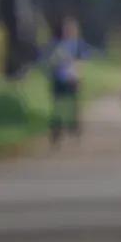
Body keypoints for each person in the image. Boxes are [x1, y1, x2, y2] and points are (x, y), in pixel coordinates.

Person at [41, 16, 91, 146]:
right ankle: (56, 130)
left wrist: (78, 76)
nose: (69, 31)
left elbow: (81, 62)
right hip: (58, 79)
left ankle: (73, 127)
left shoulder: (78, 45)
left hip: (72, 79)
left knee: (72, 105)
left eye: (72, 29)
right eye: (67, 29)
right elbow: (48, 61)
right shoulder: (56, 44)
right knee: (58, 106)